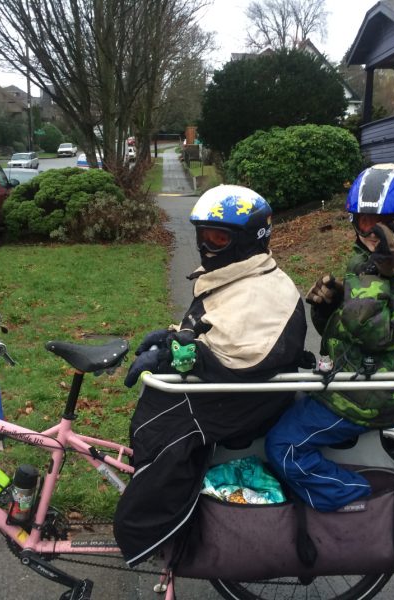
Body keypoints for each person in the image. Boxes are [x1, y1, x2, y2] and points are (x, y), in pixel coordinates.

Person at [114, 184, 307, 566]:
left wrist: (177, 354)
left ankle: (149, 532)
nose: (208, 246)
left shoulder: (264, 290)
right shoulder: (243, 271)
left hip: (248, 397)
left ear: (249, 239)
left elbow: (234, 353)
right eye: (203, 236)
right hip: (241, 389)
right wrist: (174, 336)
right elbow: (216, 325)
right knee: (159, 410)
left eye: (219, 237)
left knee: (166, 431)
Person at [265, 163, 394, 512]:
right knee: (268, 410)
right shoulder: (371, 261)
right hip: (348, 383)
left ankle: (371, 501)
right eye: (363, 222)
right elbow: (345, 332)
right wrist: (331, 305)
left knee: (284, 446)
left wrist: (372, 274)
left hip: (365, 398)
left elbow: (375, 335)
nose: (371, 232)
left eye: (382, 224)